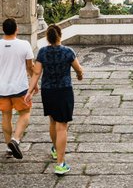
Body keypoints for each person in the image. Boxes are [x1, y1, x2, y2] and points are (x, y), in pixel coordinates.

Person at [24, 24, 83, 175]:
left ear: (48, 38)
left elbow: (36, 73)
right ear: (60, 36)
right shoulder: (68, 51)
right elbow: (79, 69)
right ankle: (60, 164)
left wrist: (29, 92)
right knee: (62, 126)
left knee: (52, 121)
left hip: (48, 91)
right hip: (64, 91)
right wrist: (79, 75)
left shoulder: (43, 52)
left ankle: (56, 150)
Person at [0, 18, 37, 159]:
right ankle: (15, 139)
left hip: (2, 87)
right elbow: (30, 67)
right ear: (17, 29)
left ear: (3, 30)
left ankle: (8, 146)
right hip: (19, 87)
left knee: (6, 116)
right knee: (25, 112)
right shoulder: (24, 44)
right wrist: (34, 84)